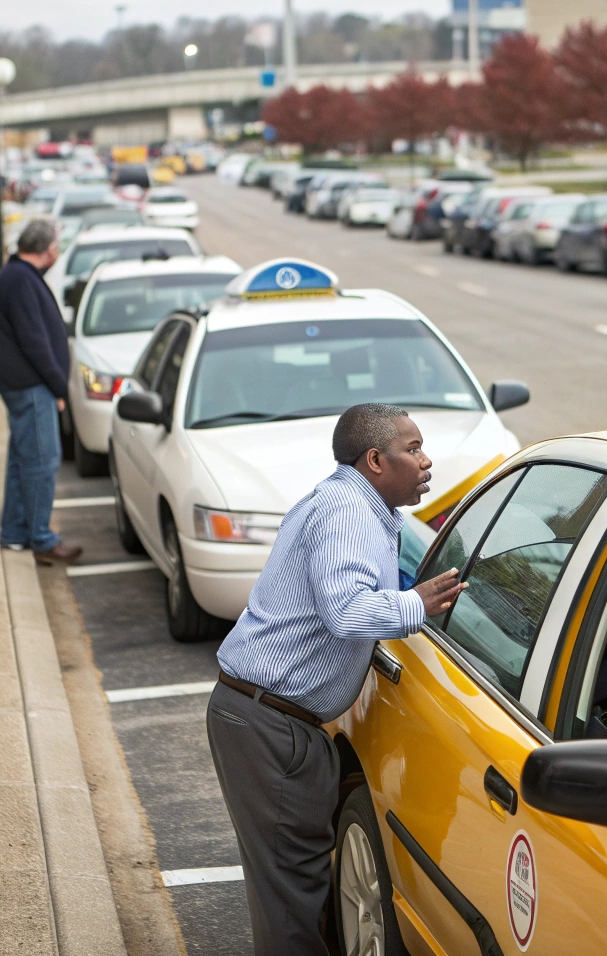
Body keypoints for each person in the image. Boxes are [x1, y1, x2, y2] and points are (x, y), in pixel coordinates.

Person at [207, 403, 466, 956]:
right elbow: (346, 612)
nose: (426, 462)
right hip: (269, 724)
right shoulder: (347, 511)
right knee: (290, 900)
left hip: (271, 719)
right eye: (413, 449)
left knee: (292, 891)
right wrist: (415, 604)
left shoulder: (364, 508)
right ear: (375, 459)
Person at [0, 218, 81, 566]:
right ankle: (41, 538)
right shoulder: (20, 280)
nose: (57, 252)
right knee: (42, 462)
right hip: (30, 385)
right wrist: (58, 385)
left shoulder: (18, 276)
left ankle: (14, 533)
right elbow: (34, 340)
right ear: (46, 250)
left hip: (24, 384)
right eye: (55, 246)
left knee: (22, 461)